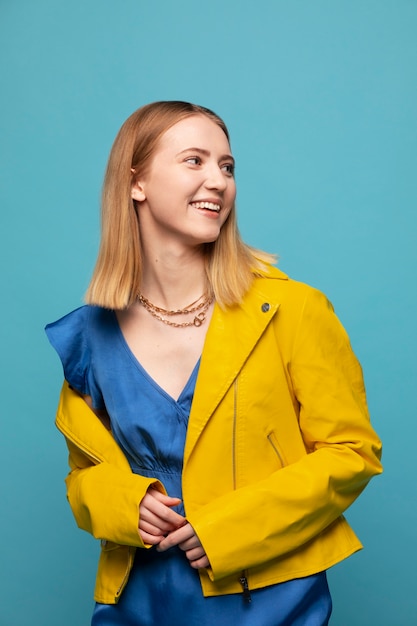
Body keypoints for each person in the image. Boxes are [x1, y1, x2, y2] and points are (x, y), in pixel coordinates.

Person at [45, 101, 382, 626]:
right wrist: (125, 503)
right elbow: (83, 477)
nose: (218, 181)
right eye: (194, 161)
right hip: (138, 600)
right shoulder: (91, 333)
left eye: (227, 167)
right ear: (136, 183)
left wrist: (227, 527)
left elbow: (352, 453)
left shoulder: (292, 309)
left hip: (269, 600)